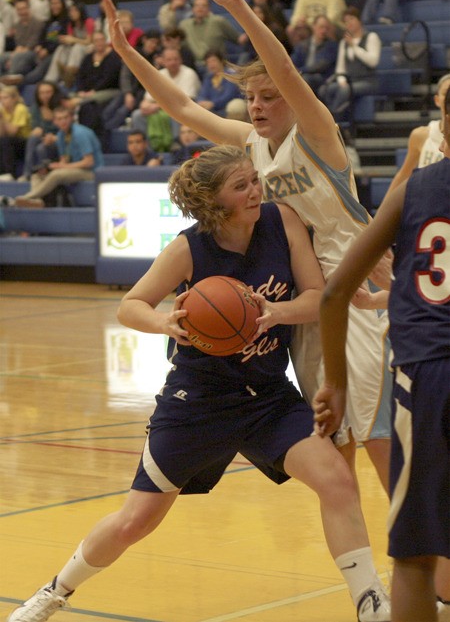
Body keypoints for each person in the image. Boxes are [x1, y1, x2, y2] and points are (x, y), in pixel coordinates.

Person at [7, 144, 389, 622]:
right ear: (215, 201)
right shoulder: (189, 248)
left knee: (336, 480)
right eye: (242, 185)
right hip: (198, 402)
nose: (256, 191)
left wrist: (274, 312)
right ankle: (54, 591)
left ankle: (370, 602)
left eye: (255, 179)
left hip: (267, 397)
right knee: (135, 522)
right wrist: (166, 321)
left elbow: (318, 298)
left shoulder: (282, 220)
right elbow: (131, 305)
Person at [102, 0, 393, 501]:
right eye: (250, 98)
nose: (256, 106)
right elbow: (185, 110)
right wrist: (128, 55)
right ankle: (369, 570)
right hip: (307, 301)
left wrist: (236, 6)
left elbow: (282, 67)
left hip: (356, 290)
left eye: (267, 97)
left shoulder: (319, 135)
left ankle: (423, 564)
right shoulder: (249, 145)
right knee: (335, 440)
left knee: (377, 434)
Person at [312, 89, 450, 622]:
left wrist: (336, 385)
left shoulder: (414, 190)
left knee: (414, 555)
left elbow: (332, 294)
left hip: (428, 375)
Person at [9, 106, 103, 209]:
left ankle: (26, 197)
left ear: (71, 118)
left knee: (56, 175)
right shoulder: (61, 135)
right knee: (36, 175)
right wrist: (52, 167)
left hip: (92, 172)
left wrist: (60, 167)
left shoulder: (80, 133)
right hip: (76, 170)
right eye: (59, 119)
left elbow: (89, 162)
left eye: (65, 118)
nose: (63, 121)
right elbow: (64, 160)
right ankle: (36, 201)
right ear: (54, 122)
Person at [385, 72, 450, 197]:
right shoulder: (420, 135)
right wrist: (382, 210)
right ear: (437, 100)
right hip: (426, 205)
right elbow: (403, 175)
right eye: (445, 94)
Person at [318, 6, 381, 123]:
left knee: (345, 90)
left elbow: (373, 61)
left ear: (359, 20)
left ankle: (332, 122)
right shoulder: (344, 42)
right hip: (349, 81)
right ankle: (333, 119)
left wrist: (354, 46)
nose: (349, 23)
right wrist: (342, 80)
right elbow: (340, 68)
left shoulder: (371, 37)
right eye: (346, 21)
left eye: (351, 19)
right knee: (324, 89)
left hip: (368, 81)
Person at [179, 0, 247, 70]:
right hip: (192, 66)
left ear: (209, 8)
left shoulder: (218, 21)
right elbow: (178, 45)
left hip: (216, 66)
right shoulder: (184, 25)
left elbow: (239, 39)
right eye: (197, 5)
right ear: (193, 9)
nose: (200, 8)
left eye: (203, 5)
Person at [44, 2, 95, 89]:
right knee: (61, 48)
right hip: (75, 48)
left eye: (75, 11)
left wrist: (73, 40)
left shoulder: (88, 21)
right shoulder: (71, 24)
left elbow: (89, 41)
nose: (72, 13)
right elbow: (71, 40)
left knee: (77, 48)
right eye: (70, 11)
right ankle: (50, 79)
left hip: (89, 47)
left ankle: (69, 72)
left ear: (81, 11)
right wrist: (65, 40)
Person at [22, 81, 66, 180]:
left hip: (61, 140)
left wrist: (55, 137)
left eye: (48, 92)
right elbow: (35, 126)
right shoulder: (36, 108)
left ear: (55, 92)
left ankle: (45, 175)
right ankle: (28, 174)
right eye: (41, 93)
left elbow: (68, 128)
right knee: (33, 139)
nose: (45, 96)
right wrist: (36, 131)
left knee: (41, 148)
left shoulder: (63, 106)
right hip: (44, 138)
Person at [291, 14, 338, 95]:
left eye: (326, 28)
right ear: (313, 26)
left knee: (304, 79)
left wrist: (301, 71)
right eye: (321, 27)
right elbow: (293, 62)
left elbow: (320, 66)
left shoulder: (331, 46)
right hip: (302, 75)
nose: (323, 30)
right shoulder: (303, 44)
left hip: (321, 77)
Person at [0, 0, 43, 80]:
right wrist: (13, 55)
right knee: (2, 57)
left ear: (29, 8)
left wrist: (13, 57)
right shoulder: (17, 25)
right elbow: (18, 43)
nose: (22, 12)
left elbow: (33, 42)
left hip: (33, 52)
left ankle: (11, 79)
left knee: (17, 57)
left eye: (24, 8)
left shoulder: (38, 23)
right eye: (19, 9)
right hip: (20, 52)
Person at [0, 85, 31, 181]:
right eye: (1, 98)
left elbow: (13, 132)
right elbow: (1, 134)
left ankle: (10, 173)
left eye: (5, 98)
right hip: (11, 142)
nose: (2, 101)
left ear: (14, 99)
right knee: (3, 141)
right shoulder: (3, 110)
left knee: (6, 141)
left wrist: (2, 119)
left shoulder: (20, 109)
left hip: (25, 142)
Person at [197, 50, 243, 115]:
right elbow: (202, 94)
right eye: (208, 62)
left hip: (227, 107)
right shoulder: (208, 78)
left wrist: (213, 104)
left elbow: (228, 96)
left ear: (221, 61)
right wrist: (201, 102)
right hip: (212, 109)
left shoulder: (230, 74)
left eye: (213, 61)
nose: (211, 65)